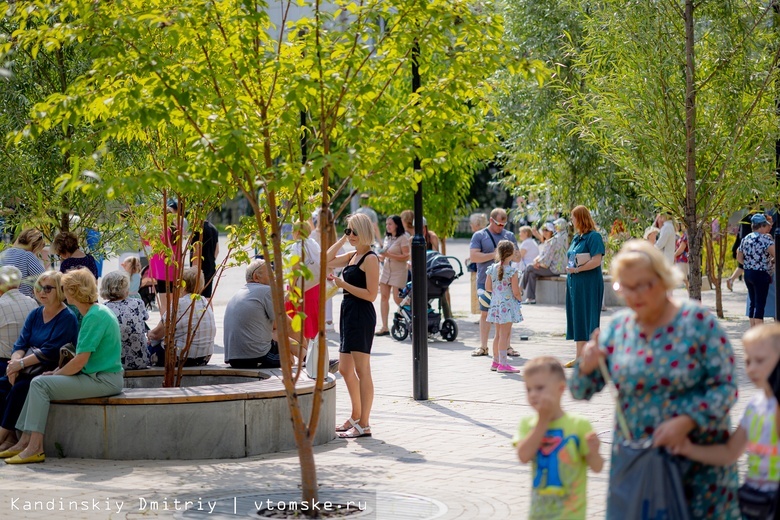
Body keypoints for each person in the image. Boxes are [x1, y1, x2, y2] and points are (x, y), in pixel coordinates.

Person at [571, 240, 739, 518]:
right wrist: (586, 366)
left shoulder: (697, 322)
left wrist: (686, 421)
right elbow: (580, 390)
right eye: (625, 287)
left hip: (696, 467)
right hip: (637, 465)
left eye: (642, 285)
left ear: (663, 279)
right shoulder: (620, 328)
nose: (633, 295)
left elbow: (726, 388)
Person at [3, 268, 123, 464]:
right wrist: (55, 373)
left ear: (74, 291)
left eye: (63, 287)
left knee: (40, 383)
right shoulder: (94, 313)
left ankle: (35, 447)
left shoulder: (94, 316)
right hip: (97, 376)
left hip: (103, 379)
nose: (61, 291)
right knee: (38, 382)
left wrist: (55, 373)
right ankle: (24, 441)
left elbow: (79, 361)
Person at [672, 323, 780, 517]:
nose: (752, 368)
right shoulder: (755, 407)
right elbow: (730, 452)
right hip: (755, 504)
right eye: (748, 361)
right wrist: (689, 450)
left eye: (760, 360)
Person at [0, 271, 78, 455]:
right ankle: (10, 436)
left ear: (59, 290)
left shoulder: (67, 317)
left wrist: (20, 365)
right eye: (38, 288)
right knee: (3, 385)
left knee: (20, 388)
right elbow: (21, 343)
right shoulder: (35, 313)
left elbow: (50, 351)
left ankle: (2, 436)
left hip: (50, 370)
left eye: (48, 288)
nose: (42, 292)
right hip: (27, 367)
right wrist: (15, 363)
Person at [515, 357, 603, 518]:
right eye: (529, 389)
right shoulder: (528, 424)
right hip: (539, 513)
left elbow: (597, 467)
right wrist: (542, 420)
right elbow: (523, 456)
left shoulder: (579, 425)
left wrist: (594, 452)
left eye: (540, 388)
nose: (533, 394)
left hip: (571, 515)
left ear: (561, 389)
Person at [327, 213, 379, 439]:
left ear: (365, 232)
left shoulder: (370, 258)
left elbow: (371, 295)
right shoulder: (353, 255)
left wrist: (342, 284)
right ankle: (355, 416)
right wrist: (341, 239)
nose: (351, 235)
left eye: (354, 231)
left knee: (362, 370)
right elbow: (326, 260)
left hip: (361, 313)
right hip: (348, 312)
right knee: (346, 369)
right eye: (348, 230)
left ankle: (364, 424)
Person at [223, 260, 305, 368]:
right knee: (285, 347)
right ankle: (311, 359)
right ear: (256, 277)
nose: (274, 277)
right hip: (258, 356)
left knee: (277, 336)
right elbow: (284, 324)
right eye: (270, 274)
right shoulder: (266, 291)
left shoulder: (238, 294)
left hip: (234, 359)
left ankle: (309, 359)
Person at [469, 208, 518, 357]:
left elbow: (518, 257)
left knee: (506, 316)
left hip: (506, 285)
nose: (502, 227)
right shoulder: (479, 235)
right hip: (485, 283)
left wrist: (508, 255)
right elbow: (474, 257)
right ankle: (483, 346)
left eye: (504, 224)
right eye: (499, 224)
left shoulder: (509, 236)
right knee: (485, 314)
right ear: (491, 220)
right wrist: (497, 255)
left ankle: (507, 346)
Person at [147, 267, 215, 367]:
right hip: (204, 357)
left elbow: (156, 334)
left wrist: (149, 334)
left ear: (183, 285)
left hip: (181, 357)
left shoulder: (179, 304)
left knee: (146, 348)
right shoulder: (205, 302)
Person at [564, 206, 605, 367]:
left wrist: (578, 269)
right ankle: (579, 357)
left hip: (589, 283)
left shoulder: (593, 237)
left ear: (580, 218)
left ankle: (595, 357)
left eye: (573, 218)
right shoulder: (577, 238)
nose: (571, 221)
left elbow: (596, 260)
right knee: (578, 317)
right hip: (575, 283)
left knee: (589, 318)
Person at [485, 240, 523, 373]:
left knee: (497, 334)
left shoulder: (492, 269)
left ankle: (495, 362)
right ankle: (503, 364)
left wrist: (498, 293)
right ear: (511, 254)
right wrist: (519, 298)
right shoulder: (512, 271)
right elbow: (515, 291)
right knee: (504, 336)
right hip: (507, 307)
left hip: (496, 305)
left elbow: (488, 287)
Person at [101, 271, 149, 370]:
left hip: (114, 363)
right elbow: (145, 318)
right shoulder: (138, 303)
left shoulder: (104, 308)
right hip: (141, 360)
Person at [285, 222, 322, 346]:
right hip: (314, 285)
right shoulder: (313, 244)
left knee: (299, 320)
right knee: (312, 318)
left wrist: (290, 290)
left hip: (300, 288)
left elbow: (295, 269)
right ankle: (313, 351)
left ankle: (303, 352)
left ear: (297, 232)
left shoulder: (296, 247)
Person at [739, 213, 776, 327]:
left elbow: (739, 257)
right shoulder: (765, 239)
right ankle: (759, 332)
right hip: (761, 274)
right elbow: (776, 254)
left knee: (752, 303)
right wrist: (771, 261)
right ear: (762, 225)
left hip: (748, 273)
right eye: (766, 226)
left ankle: (752, 329)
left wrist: (750, 264)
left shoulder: (746, 238)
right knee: (760, 304)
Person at [0, 266, 39, 375]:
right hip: (29, 362)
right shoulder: (32, 302)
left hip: (5, 363)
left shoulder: (1, 305)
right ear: (20, 284)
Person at [376, 215, 410, 336]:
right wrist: (381, 256)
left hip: (398, 271)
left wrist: (388, 255)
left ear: (397, 224)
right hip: (386, 270)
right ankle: (384, 327)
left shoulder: (403, 238)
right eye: (386, 224)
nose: (387, 226)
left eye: (390, 224)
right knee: (384, 297)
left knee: (397, 298)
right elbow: (385, 253)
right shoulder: (388, 238)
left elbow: (406, 256)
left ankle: (414, 313)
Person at [521, 219, 568, 305]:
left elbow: (546, 260)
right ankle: (531, 298)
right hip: (557, 269)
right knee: (532, 273)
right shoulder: (564, 237)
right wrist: (537, 262)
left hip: (553, 269)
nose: (544, 232)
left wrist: (537, 263)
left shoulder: (554, 239)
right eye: (543, 230)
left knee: (529, 267)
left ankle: (519, 289)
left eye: (547, 230)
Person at [0, 228, 46, 298]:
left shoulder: (3, 254)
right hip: (23, 300)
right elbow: (44, 279)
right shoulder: (27, 256)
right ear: (34, 246)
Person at [190, 219, 219, 298]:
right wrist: (211, 261)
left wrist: (194, 272)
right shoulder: (213, 228)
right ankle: (210, 311)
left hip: (199, 270)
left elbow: (196, 253)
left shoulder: (198, 230)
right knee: (207, 298)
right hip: (210, 267)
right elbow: (217, 250)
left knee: (199, 298)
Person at [674, 223, 689, 289]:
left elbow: (681, 249)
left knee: (686, 280)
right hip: (681, 260)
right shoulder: (683, 235)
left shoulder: (686, 235)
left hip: (684, 260)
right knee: (686, 281)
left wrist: (674, 255)